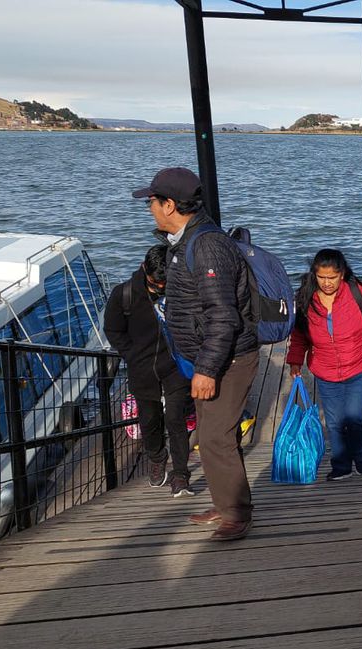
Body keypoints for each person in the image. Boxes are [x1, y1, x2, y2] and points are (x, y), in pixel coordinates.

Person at [133, 167, 259, 541]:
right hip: (209, 358)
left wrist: (206, 369)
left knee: (217, 436)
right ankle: (225, 505)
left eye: (152, 201)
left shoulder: (205, 245)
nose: (149, 208)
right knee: (209, 432)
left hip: (227, 359)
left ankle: (237, 513)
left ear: (170, 204)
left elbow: (223, 314)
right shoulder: (185, 241)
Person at [288, 249, 362, 480]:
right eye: (322, 277)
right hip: (325, 369)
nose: (327, 283)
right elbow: (299, 334)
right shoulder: (305, 298)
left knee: (354, 417)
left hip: (360, 365)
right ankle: (341, 464)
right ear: (314, 275)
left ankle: (360, 455)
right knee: (335, 421)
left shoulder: (359, 293)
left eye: (332, 277)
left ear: (342, 274)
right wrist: (295, 360)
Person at [103, 244, 194, 497]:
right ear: (145, 269)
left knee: (176, 418)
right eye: (156, 282)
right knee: (149, 418)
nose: (161, 287)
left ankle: (180, 474)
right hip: (142, 368)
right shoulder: (124, 295)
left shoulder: (183, 291)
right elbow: (112, 330)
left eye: (165, 282)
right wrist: (131, 353)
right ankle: (156, 457)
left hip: (176, 365)